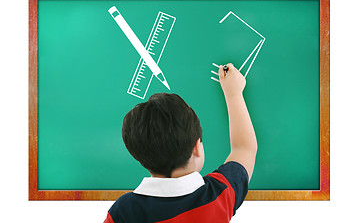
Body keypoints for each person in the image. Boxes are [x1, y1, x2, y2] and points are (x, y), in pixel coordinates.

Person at [104, 63, 257, 223]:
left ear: (140, 156)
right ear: (196, 148)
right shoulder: (218, 195)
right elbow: (244, 148)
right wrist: (233, 93)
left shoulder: (124, 212)